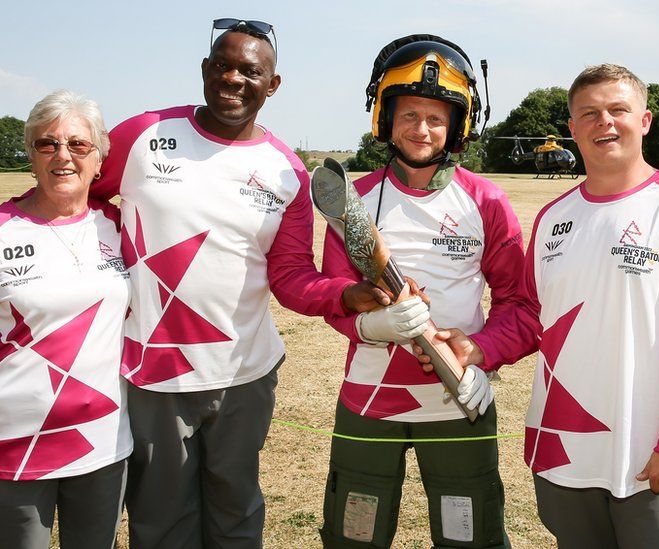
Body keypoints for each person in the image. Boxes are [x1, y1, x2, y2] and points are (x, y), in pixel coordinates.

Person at [89, 19, 377, 548]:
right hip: (154, 372)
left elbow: (289, 276)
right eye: (221, 65)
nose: (232, 79)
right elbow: (81, 197)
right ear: (205, 69)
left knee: (235, 511)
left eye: (250, 71)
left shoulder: (287, 171)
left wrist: (344, 294)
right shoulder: (143, 134)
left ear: (273, 85)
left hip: (244, 374)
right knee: (160, 518)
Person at [317, 35, 529, 548]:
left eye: (437, 117)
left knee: (469, 536)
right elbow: (334, 294)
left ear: (458, 125)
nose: (422, 129)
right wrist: (370, 325)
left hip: (456, 399)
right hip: (369, 400)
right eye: (409, 114)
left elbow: (520, 305)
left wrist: (482, 353)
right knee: (354, 535)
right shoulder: (353, 202)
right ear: (385, 119)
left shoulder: (487, 200)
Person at [514, 64, 659, 548]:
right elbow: (529, 315)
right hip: (563, 447)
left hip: (649, 455)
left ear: (645, 120)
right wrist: (474, 349)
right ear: (572, 129)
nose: (604, 122)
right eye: (589, 113)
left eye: (618, 110)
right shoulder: (553, 216)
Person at [0, 91, 130, 548]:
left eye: (78, 145)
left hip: (104, 443)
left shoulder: (119, 225)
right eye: (47, 144)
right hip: (13, 449)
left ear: (99, 159)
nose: (63, 156)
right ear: (31, 155)